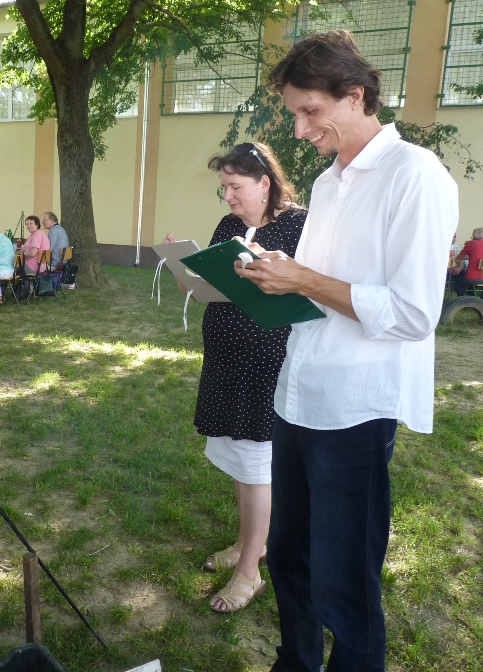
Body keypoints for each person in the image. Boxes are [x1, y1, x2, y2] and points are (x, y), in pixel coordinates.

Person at [234, 30, 457, 671]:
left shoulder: (415, 175)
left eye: (310, 111)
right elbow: (330, 285)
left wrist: (303, 278)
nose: (300, 130)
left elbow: (414, 312)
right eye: (295, 114)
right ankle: (296, 662)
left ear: (355, 95)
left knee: (346, 576)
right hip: (300, 392)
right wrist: (279, 273)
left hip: (357, 407)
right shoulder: (330, 182)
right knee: (289, 556)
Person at [166, 142, 306, 613]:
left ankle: (249, 572)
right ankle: (251, 543)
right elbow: (208, 287)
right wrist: (185, 270)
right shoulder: (229, 226)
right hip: (226, 357)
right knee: (238, 458)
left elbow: (303, 290)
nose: (227, 196)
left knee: (257, 464)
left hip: (266, 360)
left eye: (234, 187)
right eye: (223, 187)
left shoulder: (298, 225)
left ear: (264, 183)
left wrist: (266, 268)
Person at [451, 227, 483, 298]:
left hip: (473, 278)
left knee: (457, 282)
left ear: (473, 236)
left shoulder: (470, 243)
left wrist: (470, 255)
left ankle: (464, 299)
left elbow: (459, 257)